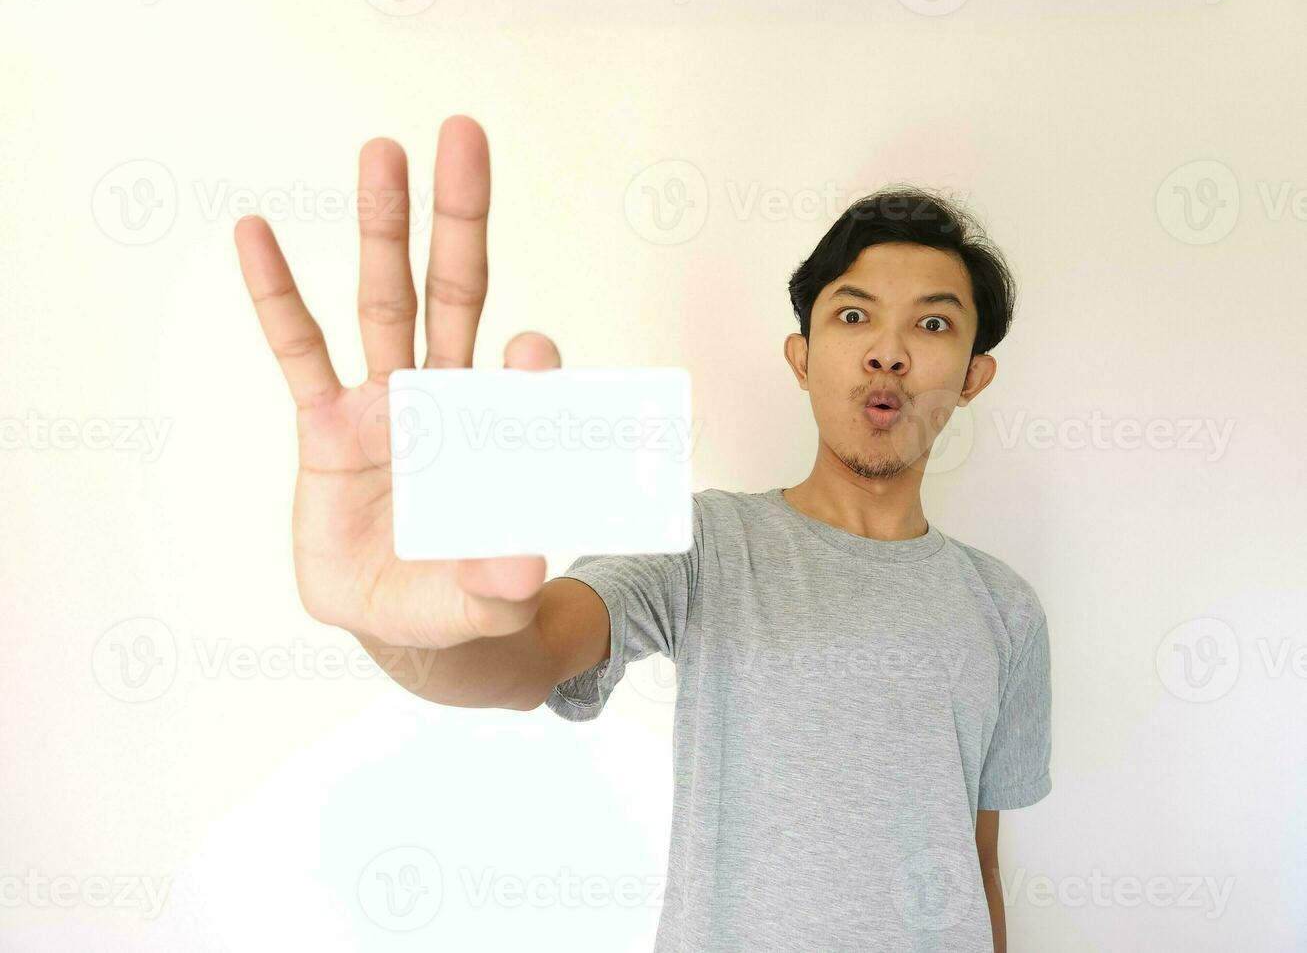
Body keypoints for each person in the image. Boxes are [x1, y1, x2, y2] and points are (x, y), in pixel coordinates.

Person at [233, 114, 1052, 953]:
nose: (887, 353)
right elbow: (524, 660)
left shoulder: (1004, 608)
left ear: (973, 377)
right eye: (852, 318)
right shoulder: (703, 541)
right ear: (800, 357)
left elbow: (976, 864)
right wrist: (380, 613)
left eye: (932, 324)